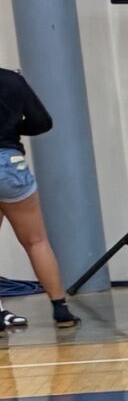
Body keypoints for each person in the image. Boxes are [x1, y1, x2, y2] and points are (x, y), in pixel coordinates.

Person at [0, 64, 76, 330]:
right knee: (36, 241)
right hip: (9, 164)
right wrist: (12, 127)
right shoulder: (11, 80)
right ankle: (61, 310)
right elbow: (42, 121)